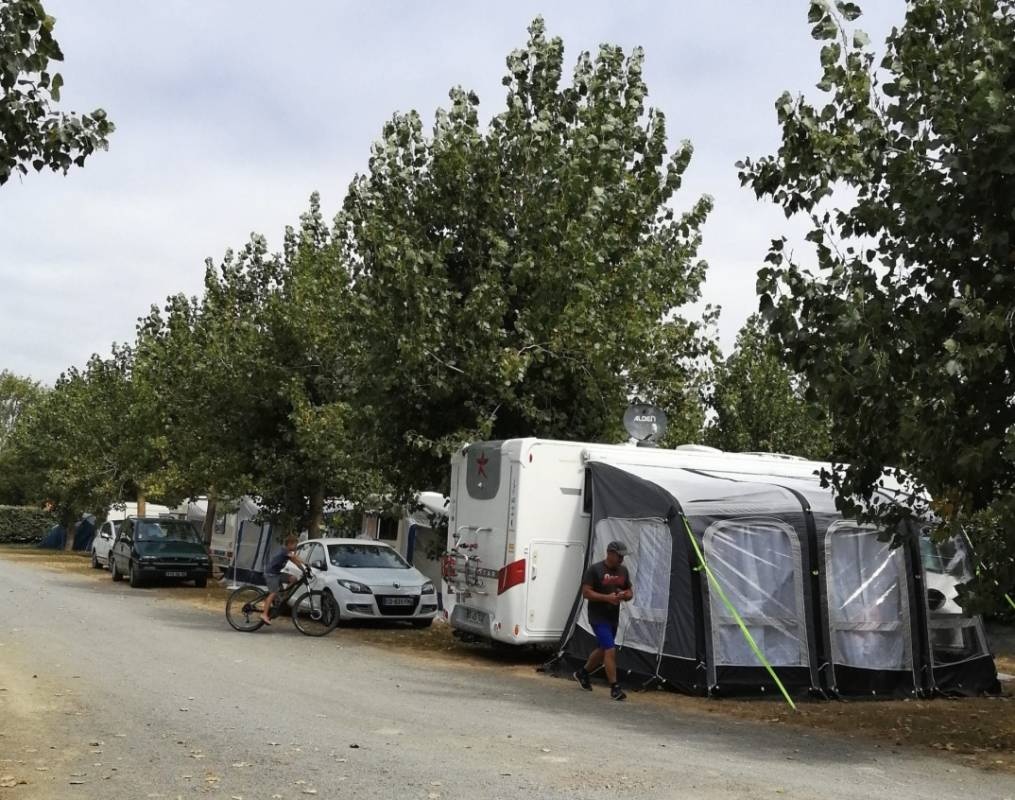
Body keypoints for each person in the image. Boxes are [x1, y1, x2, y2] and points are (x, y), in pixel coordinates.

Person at [573, 540, 633, 700]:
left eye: (623, 557)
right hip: (598, 617)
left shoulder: (623, 571)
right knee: (610, 649)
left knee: (603, 650)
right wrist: (606, 598)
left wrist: (626, 595)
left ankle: (582, 673)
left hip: (613, 617)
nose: (621, 560)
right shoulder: (595, 570)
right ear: (610, 553)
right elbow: (586, 593)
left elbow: (629, 591)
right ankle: (615, 687)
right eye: (619, 556)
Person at [261, 534, 307, 625]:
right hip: (271, 574)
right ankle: (264, 614)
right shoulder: (284, 551)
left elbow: (296, 560)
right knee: (273, 593)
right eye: (295, 545)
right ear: (289, 544)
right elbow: (295, 559)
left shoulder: (287, 552)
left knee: (293, 579)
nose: (296, 547)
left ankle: (283, 597)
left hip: (277, 574)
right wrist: (305, 566)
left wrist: (305, 567)